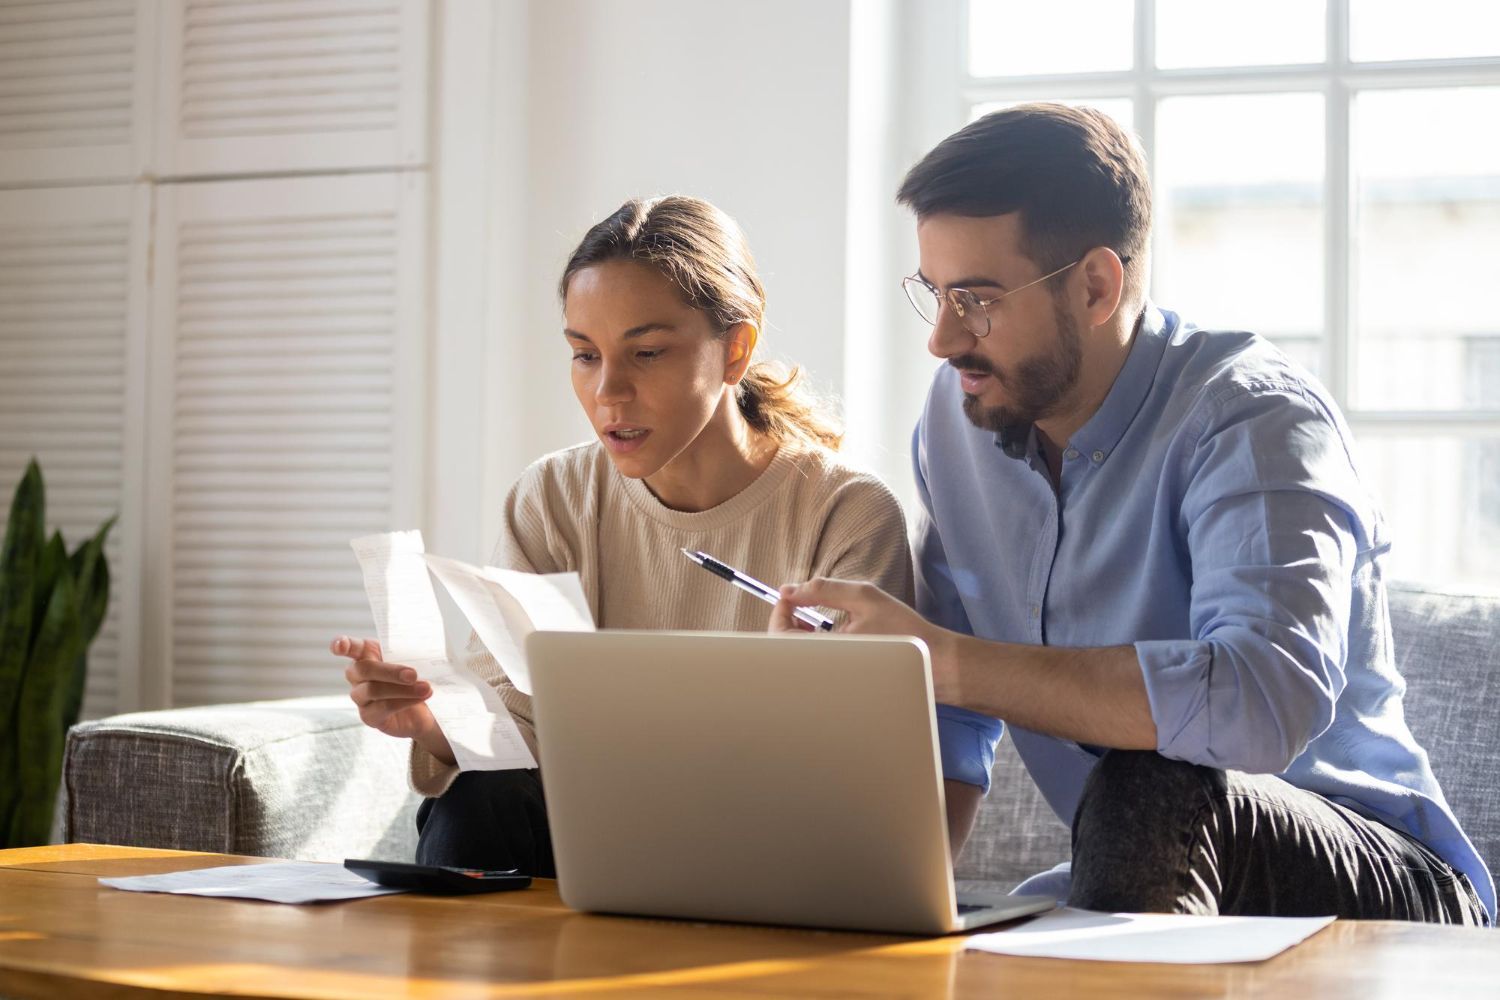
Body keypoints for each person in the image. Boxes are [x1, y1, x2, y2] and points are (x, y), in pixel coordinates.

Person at [772, 104, 1492, 924]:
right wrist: (887, 913)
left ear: (1096, 285)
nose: (941, 339)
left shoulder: (1253, 420)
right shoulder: (959, 419)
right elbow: (950, 717)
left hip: (1384, 880)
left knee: (1150, 777)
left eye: (975, 299)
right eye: (933, 293)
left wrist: (948, 658)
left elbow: (1262, 699)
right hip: (1141, 872)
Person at [333, 195, 914, 875]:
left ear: (735, 348)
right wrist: (429, 723)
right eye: (585, 355)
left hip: (764, 846)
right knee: (479, 798)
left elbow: (856, 780)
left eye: (646, 352)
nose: (610, 391)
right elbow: (517, 733)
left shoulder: (846, 513)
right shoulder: (551, 498)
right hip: (590, 849)